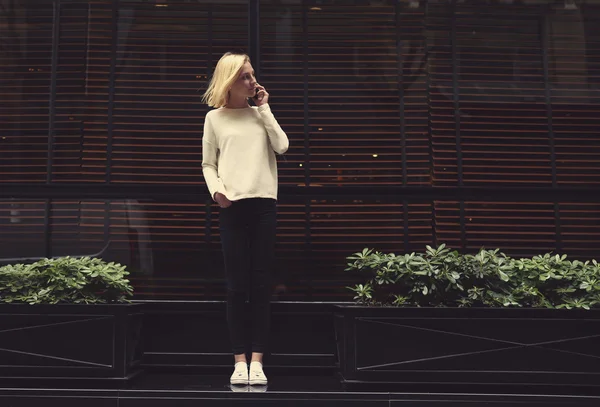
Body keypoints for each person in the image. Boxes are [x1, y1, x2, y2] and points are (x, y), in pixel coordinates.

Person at [201, 52, 289, 386]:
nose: (253, 82)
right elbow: (208, 164)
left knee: (260, 285)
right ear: (231, 81)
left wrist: (264, 108)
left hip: (263, 206)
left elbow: (282, 146)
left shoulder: (260, 114)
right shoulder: (214, 119)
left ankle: (258, 362)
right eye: (246, 77)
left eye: (253, 75)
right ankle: (239, 361)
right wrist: (217, 193)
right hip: (232, 208)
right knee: (237, 287)